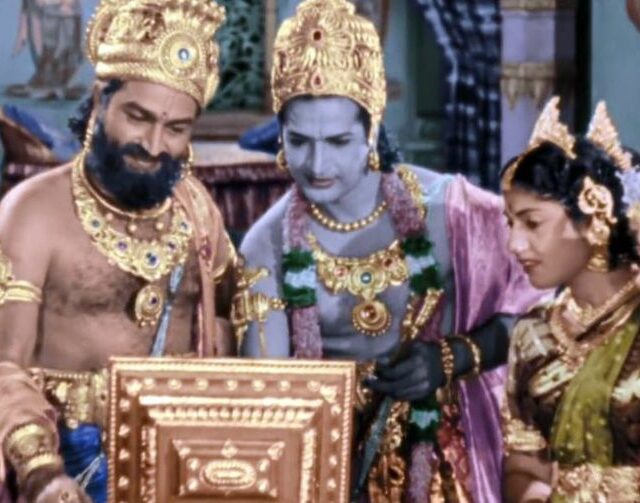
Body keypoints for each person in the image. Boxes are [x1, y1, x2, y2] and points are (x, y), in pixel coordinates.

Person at [233, 0, 541, 501]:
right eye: (299, 141)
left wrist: (451, 358)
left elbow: (538, 312)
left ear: (372, 131)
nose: (316, 165)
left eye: (338, 141)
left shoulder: (453, 211)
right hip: (328, 465)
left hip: (443, 459)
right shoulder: (266, 244)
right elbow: (269, 394)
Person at [0, 0, 236, 501]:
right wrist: (42, 472)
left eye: (176, 129)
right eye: (137, 117)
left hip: (180, 461)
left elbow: (232, 327)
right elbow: (4, 363)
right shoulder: (32, 212)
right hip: (66, 461)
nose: (154, 144)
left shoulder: (198, 212)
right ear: (99, 100)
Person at [502, 97, 640, 502]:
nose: (514, 244)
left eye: (532, 223)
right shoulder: (534, 331)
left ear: (593, 216)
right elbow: (523, 463)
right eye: (510, 223)